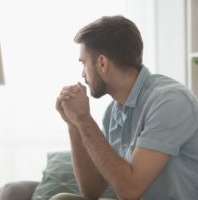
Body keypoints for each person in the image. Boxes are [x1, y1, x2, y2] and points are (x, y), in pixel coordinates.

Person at [52, 15, 198, 200]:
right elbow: (91, 190)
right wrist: (74, 125)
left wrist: (84, 119)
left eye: (84, 63)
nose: (82, 73)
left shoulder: (170, 101)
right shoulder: (113, 112)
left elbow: (130, 191)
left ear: (102, 63)